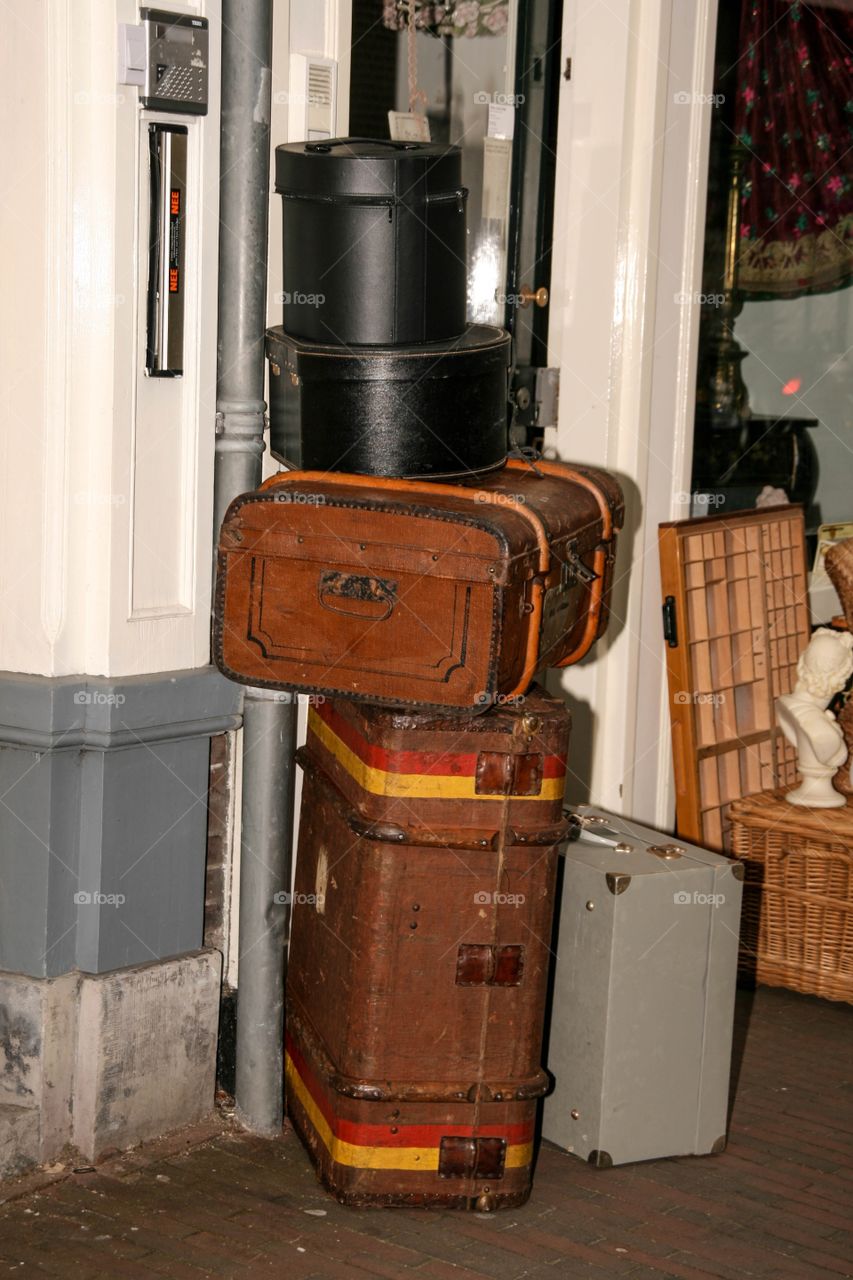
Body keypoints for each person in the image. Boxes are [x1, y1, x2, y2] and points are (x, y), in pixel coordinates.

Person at [777, 627, 853, 808]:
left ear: (803, 662)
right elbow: (826, 743)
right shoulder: (821, 730)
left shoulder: (785, 704)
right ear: (842, 676)